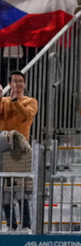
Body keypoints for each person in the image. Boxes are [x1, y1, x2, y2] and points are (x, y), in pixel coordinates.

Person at [0, 70, 37, 230]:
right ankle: (11, 225)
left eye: (21, 81)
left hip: (21, 150)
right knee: (5, 191)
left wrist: (15, 100)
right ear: (10, 84)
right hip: (3, 148)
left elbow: (26, 115)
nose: (18, 84)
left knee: (23, 190)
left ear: (25, 84)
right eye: (15, 81)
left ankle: (26, 225)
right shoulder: (3, 101)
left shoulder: (31, 101)